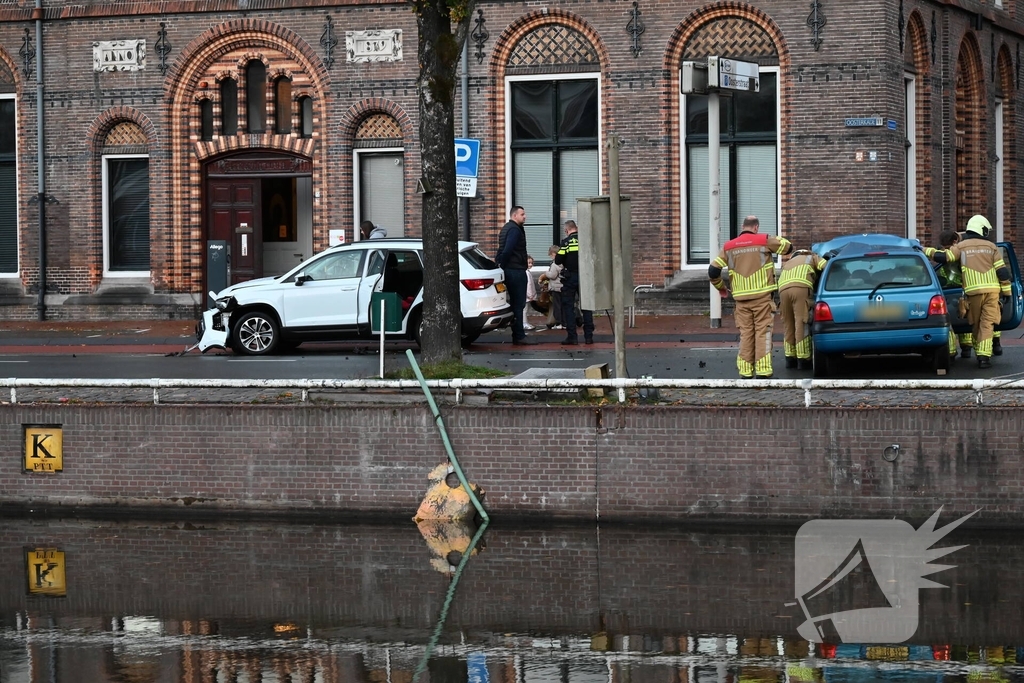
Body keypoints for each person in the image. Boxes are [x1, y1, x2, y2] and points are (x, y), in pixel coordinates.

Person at [708, 215, 793, 379]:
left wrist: (721, 288)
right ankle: (763, 371)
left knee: (746, 334)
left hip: (741, 301)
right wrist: (771, 238)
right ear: (756, 228)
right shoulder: (764, 240)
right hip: (762, 298)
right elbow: (788, 248)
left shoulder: (729, 246)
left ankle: (745, 371)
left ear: (742, 226)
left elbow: (713, 271)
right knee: (762, 332)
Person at [929, 214, 1011, 368]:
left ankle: (979, 352)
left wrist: (924, 250)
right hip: (992, 292)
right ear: (981, 229)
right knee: (987, 324)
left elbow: (943, 257)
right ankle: (984, 358)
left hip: (972, 293)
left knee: (976, 324)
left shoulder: (961, 246)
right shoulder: (992, 247)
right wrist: (1007, 293)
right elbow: (1003, 272)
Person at [779, 248, 825, 370]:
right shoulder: (811, 257)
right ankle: (803, 359)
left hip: (783, 291)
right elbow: (824, 265)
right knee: (801, 322)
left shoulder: (787, 263)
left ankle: (790, 358)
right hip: (801, 288)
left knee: (788, 324)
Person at [496, 206, 535, 345]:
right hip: (515, 270)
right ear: (514, 216)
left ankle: (517, 334)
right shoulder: (514, 230)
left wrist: (499, 263)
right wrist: (504, 264)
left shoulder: (507, 228)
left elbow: (501, 250)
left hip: (510, 268)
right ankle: (519, 335)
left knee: (515, 303)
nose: (525, 216)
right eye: (522, 214)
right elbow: (507, 249)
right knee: (518, 304)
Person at [554, 219, 595, 345]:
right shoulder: (586, 240)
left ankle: (572, 337)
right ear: (576, 228)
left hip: (571, 277)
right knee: (587, 306)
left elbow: (558, 260)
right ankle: (588, 337)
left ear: (566, 230)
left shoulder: (566, 242)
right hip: (585, 277)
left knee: (568, 307)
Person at [539, 245, 564, 329]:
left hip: (555, 288)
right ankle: (564, 323)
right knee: (563, 305)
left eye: (550, 255)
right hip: (563, 287)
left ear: (553, 254)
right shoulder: (564, 262)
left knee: (557, 306)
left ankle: (558, 323)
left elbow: (553, 275)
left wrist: (546, 273)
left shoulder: (554, 264)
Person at [524, 255, 537, 331]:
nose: (530, 265)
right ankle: (524, 323)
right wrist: (530, 295)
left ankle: (525, 322)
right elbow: (528, 285)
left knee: (525, 309)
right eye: (528, 263)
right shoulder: (527, 273)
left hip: (526, 295)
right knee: (524, 310)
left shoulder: (527, 272)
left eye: (531, 263)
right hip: (527, 295)